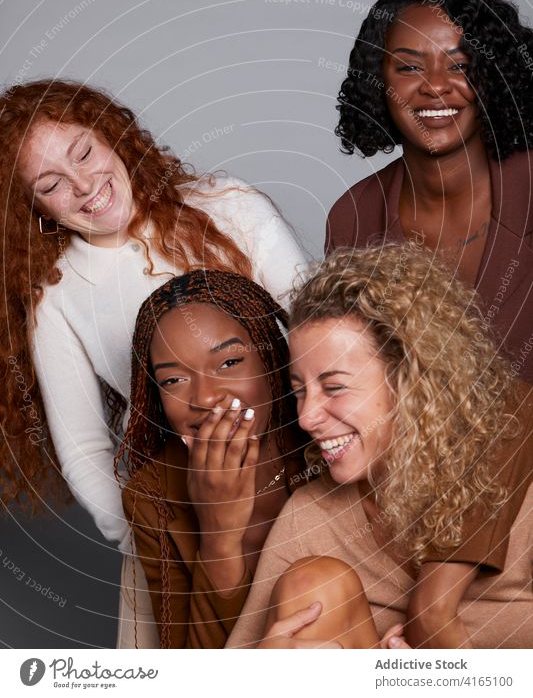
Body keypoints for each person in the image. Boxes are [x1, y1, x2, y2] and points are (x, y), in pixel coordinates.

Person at [0, 78, 306, 642]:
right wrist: (153, 534)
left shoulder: (229, 206)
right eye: (51, 184)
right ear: (34, 207)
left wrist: (318, 481)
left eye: (85, 153)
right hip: (177, 515)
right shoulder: (57, 295)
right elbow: (85, 447)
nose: (85, 185)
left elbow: (315, 338)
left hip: (300, 481)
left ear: (113, 137)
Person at [227, 245, 533, 649]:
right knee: (314, 585)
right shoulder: (311, 518)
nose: (306, 417)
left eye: (334, 387)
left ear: (412, 381)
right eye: (299, 392)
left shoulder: (519, 487)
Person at [326, 0, 533, 384]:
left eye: (459, 65)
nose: (435, 86)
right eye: (409, 66)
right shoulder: (353, 217)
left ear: (494, 77)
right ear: (379, 81)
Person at [117, 269, 309, 648]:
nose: (204, 398)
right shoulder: (152, 495)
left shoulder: (324, 443)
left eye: (229, 363)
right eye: (172, 380)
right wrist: (218, 537)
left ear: (271, 359)